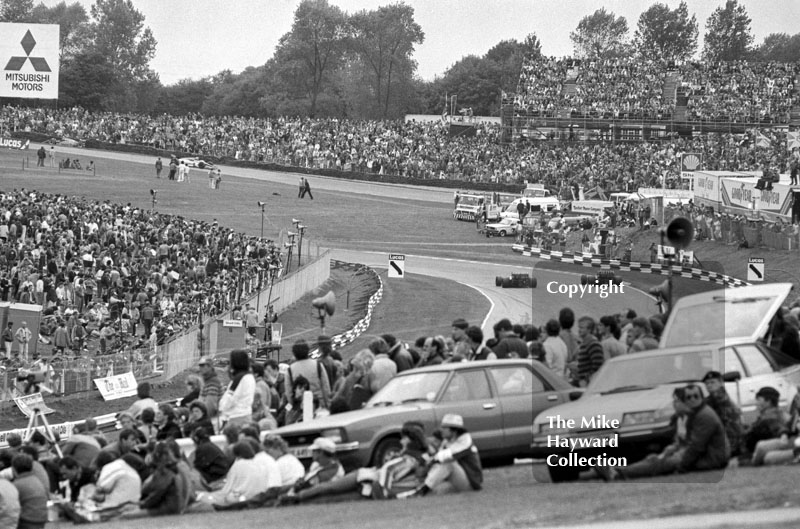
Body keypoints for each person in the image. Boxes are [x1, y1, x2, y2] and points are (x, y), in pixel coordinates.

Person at [399, 414, 482, 497]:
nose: (441, 430)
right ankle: (418, 490)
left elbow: (445, 455)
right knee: (435, 491)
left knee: (448, 463)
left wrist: (429, 461)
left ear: (454, 430)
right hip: (455, 479)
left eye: (444, 427)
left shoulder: (465, 440)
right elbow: (437, 459)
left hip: (471, 482)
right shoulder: (447, 440)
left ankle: (421, 491)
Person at [702, 371, 742, 457]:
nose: (709, 385)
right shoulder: (716, 397)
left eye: (712, 382)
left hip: (728, 443)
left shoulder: (719, 398)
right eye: (707, 383)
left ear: (720, 383)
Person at [742, 386, 789, 459]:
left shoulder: (770, 417)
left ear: (768, 402)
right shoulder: (775, 413)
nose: (756, 403)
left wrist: (783, 433)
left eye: (759, 400)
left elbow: (777, 427)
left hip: (751, 452)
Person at [284, 340, 331, 410]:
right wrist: (328, 405)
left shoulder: (290, 370)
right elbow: (326, 387)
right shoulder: (318, 365)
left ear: (294, 353)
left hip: (300, 408)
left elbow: (289, 393)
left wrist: (292, 407)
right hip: (319, 406)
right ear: (308, 351)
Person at [218, 349, 256, 427]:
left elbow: (231, 398)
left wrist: (222, 407)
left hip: (236, 417)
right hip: (245, 414)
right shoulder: (249, 376)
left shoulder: (240, 378)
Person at [11, 454, 48, 529]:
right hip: (41, 520)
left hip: (26, 522)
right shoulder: (36, 480)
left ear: (14, 469)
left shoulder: (17, 485)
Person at [573, 316, 604, 387]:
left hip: (589, 385)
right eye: (579, 327)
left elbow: (598, 367)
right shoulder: (584, 343)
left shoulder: (593, 344)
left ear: (589, 330)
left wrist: (586, 380)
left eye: (581, 328)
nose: (579, 330)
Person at [198, 356, 222, 423]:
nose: (200, 368)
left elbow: (210, 407)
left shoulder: (212, 383)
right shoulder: (207, 381)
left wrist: (201, 421)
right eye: (200, 365)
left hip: (212, 421)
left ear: (210, 367)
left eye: (203, 365)